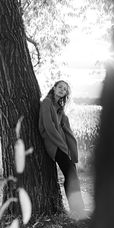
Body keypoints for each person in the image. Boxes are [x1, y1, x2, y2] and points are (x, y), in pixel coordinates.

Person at [39, 80, 86, 219]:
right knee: (71, 175)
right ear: (54, 88)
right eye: (60, 87)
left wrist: (68, 146)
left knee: (72, 175)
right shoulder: (47, 103)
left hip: (61, 144)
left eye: (65, 89)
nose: (62, 90)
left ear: (66, 93)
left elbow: (63, 126)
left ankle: (77, 209)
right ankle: (77, 210)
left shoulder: (59, 106)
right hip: (54, 144)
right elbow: (48, 127)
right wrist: (63, 146)